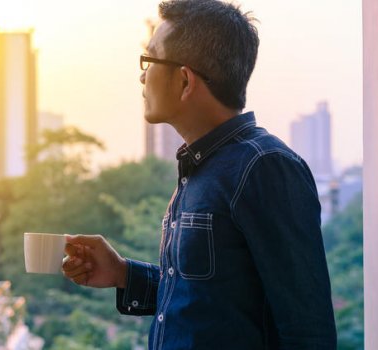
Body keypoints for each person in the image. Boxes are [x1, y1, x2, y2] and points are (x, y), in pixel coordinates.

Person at [62, 0, 337, 348]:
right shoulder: (200, 168)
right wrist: (121, 273)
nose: (142, 76)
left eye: (149, 61)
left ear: (184, 79)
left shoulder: (263, 167)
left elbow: (308, 330)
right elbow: (208, 299)